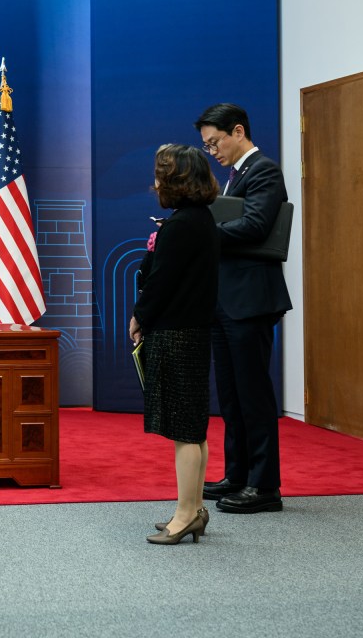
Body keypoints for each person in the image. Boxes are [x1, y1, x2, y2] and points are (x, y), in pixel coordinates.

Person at [194, 103, 293, 514]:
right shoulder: (236, 177)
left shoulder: (264, 170)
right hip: (225, 301)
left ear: (238, 131)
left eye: (215, 142)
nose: (212, 152)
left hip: (250, 301)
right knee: (231, 396)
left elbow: (255, 225)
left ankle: (265, 485)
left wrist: (200, 232)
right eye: (206, 146)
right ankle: (237, 475)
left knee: (254, 396)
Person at [129, 144, 220, 545]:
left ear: (177, 181)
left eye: (161, 176)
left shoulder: (182, 225)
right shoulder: (200, 219)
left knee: (185, 431)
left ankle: (185, 515)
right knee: (194, 429)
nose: (155, 183)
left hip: (175, 333)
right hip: (194, 331)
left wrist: (139, 317)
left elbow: (158, 283)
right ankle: (195, 508)